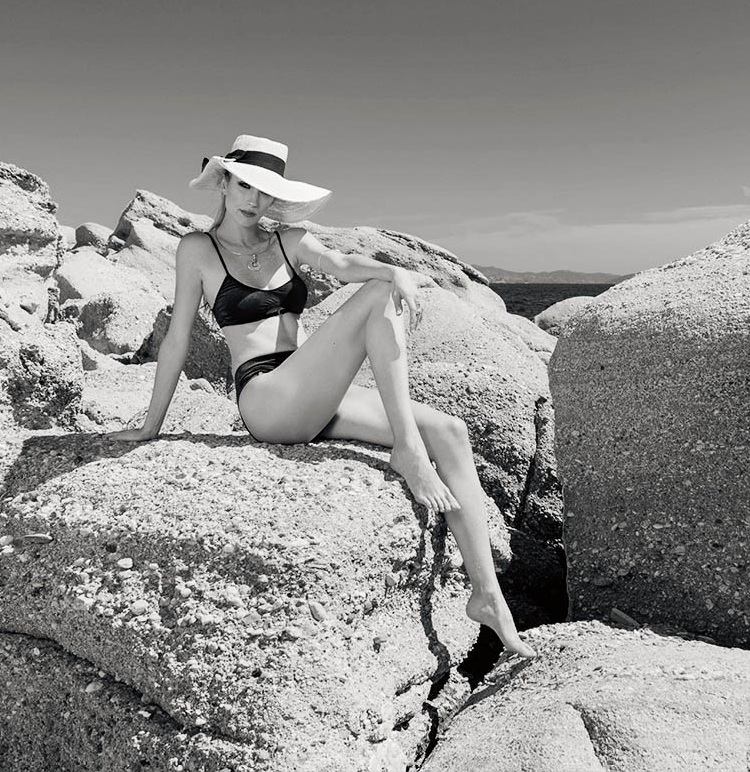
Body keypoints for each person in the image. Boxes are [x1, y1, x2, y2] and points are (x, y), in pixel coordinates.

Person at [107, 135, 535, 658]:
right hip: (266, 397)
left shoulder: (288, 239)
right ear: (224, 182)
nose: (255, 202)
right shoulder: (198, 250)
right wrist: (151, 426)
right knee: (378, 303)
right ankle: (406, 450)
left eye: (267, 194)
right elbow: (176, 340)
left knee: (452, 431)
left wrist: (393, 269)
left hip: (312, 389)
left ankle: (486, 596)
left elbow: (344, 264)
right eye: (245, 186)